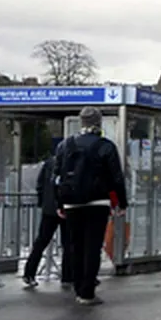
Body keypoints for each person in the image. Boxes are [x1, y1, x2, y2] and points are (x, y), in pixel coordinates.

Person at [55, 108, 129, 305]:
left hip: (71, 202)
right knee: (92, 246)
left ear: (81, 122)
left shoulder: (65, 145)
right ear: (99, 122)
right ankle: (87, 292)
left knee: (75, 246)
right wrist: (121, 203)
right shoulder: (105, 146)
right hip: (98, 202)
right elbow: (116, 177)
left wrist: (59, 203)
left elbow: (57, 176)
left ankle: (78, 286)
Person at [23, 138, 75, 288]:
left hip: (49, 209)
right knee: (68, 243)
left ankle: (29, 273)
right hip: (67, 207)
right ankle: (67, 276)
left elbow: (40, 185)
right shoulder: (71, 164)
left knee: (42, 241)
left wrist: (43, 202)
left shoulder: (49, 163)